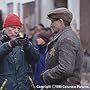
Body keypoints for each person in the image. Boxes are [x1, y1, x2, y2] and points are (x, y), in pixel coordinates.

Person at [41, 8, 83, 90]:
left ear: (60, 22)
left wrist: (46, 75)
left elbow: (65, 69)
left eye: (52, 21)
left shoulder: (66, 39)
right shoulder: (64, 36)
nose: (51, 25)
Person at [0, 14, 38, 90]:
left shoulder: (21, 41)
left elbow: (35, 59)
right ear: (5, 28)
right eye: (13, 28)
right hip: (6, 86)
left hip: (24, 86)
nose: (16, 31)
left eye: (18, 28)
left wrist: (28, 46)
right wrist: (9, 45)